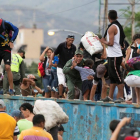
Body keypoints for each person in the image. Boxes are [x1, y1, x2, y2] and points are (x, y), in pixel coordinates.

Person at [100, 10, 125, 103]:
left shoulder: (112, 28)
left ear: (108, 17)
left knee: (118, 76)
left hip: (115, 55)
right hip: (112, 55)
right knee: (112, 76)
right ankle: (110, 97)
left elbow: (110, 43)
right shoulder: (117, 26)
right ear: (116, 17)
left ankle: (121, 97)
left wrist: (103, 41)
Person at [0, 19, 19, 95]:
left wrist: (11, 41)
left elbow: (16, 29)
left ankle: (11, 89)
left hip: (6, 48)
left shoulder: (5, 24)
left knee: (7, 67)